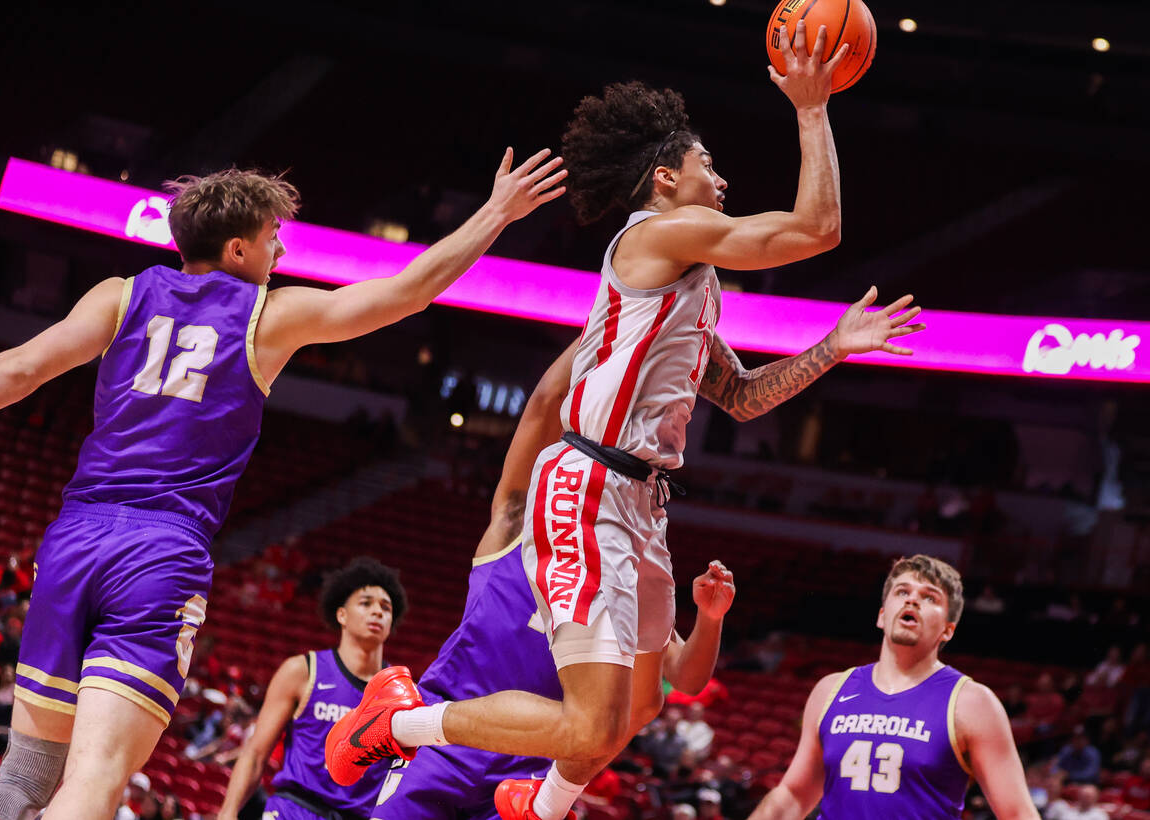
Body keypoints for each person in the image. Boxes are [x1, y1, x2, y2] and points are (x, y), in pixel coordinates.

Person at [327, 24, 927, 820]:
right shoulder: (659, 234)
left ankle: (531, 804)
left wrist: (834, 348)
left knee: (643, 707)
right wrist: (813, 110)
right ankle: (398, 721)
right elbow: (817, 229)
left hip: (642, 502)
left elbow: (743, 397)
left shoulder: (695, 283)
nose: (722, 175)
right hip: (590, 485)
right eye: (708, 164)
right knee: (588, 726)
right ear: (667, 177)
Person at [0, 147, 566, 820]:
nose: (280, 252)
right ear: (239, 248)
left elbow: (19, 369)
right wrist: (496, 212)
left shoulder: (119, 294)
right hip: (159, 551)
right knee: (95, 778)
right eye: (274, 239)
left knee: (22, 779)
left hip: (74, 538)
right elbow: (410, 291)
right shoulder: (264, 315)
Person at [367, 344, 736, 820]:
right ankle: (401, 725)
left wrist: (710, 619)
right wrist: (611, 330)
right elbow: (543, 404)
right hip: (447, 741)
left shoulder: (622, 581)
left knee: (632, 704)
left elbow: (683, 677)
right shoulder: (514, 525)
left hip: (531, 770)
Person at [747, 555, 1039, 819]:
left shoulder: (972, 703)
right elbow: (795, 794)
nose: (912, 601)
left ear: (948, 630)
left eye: (929, 598)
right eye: (902, 592)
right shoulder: (831, 690)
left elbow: (1016, 813)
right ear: (882, 615)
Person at [217, 558, 408, 820]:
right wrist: (227, 812)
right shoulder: (303, 671)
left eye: (386, 608)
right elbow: (255, 753)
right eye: (366, 603)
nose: (377, 612)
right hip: (294, 810)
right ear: (341, 614)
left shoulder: (399, 693)